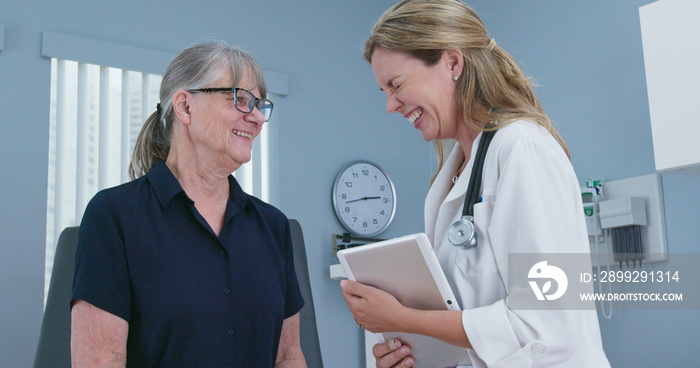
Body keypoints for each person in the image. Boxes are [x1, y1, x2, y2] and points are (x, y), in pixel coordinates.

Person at [340, 1, 611, 367]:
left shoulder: (522, 149)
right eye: (384, 92)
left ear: (452, 63)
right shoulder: (452, 177)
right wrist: (412, 352)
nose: (390, 105)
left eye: (396, 85)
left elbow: (549, 328)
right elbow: (471, 330)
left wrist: (404, 319)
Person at [71, 40, 307, 368]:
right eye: (240, 99)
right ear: (185, 107)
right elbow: (101, 361)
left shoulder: (274, 226)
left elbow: (287, 356)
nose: (256, 118)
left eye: (259, 105)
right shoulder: (114, 215)